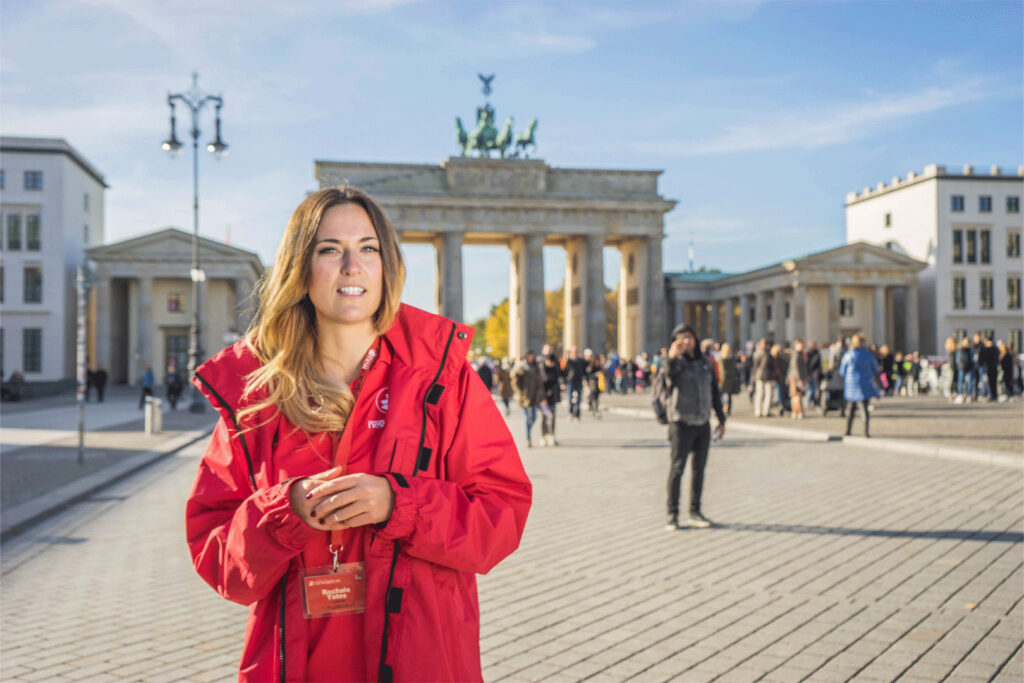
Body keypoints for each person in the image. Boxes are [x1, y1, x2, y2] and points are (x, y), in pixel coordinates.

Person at [184, 186, 532, 682]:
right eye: (330, 250)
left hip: (422, 664)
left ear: (387, 265)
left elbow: (501, 517)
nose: (352, 266)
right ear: (301, 268)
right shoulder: (256, 395)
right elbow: (217, 558)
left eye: (368, 248)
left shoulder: (443, 378)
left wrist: (401, 504)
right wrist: (284, 512)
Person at [661, 324, 726, 530]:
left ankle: (695, 511)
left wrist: (721, 420)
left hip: (702, 423)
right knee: (677, 469)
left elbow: (714, 392)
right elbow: (667, 379)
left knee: (699, 470)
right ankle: (672, 514)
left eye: (689, 337)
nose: (687, 341)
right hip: (680, 422)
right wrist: (671, 358)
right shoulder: (675, 363)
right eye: (682, 338)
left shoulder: (706, 363)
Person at [839, 334, 880, 437]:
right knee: (864, 409)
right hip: (865, 384)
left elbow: (842, 371)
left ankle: (847, 430)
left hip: (851, 385)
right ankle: (865, 432)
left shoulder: (848, 355)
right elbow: (876, 369)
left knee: (850, 409)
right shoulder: (868, 355)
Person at [513, 350, 544, 448]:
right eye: (530, 356)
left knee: (534, 417)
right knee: (527, 417)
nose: (531, 358)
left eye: (532, 356)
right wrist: (521, 392)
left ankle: (528, 431)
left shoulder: (536, 367)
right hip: (524, 396)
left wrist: (540, 392)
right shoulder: (521, 367)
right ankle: (528, 436)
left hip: (534, 396)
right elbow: (515, 382)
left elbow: (539, 381)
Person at [540, 353, 561, 446]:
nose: (552, 364)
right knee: (544, 417)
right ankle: (543, 436)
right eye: (550, 362)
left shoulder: (555, 369)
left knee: (552, 416)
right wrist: (543, 396)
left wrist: (552, 390)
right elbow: (540, 385)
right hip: (543, 398)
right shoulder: (542, 370)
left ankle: (551, 435)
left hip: (552, 397)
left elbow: (556, 382)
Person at [751, 339, 774, 418]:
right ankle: (763, 411)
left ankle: (761, 411)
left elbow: (755, 365)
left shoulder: (759, 353)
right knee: (765, 393)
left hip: (761, 375)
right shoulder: (765, 354)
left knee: (762, 393)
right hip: (765, 375)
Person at [787, 339, 809, 420]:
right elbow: (795, 367)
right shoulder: (796, 355)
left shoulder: (799, 354)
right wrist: (800, 379)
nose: (803, 346)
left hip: (795, 377)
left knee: (796, 395)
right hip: (796, 378)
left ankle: (796, 412)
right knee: (796, 395)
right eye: (801, 345)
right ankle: (798, 412)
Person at [563, 346, 586, 421]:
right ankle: (571, 412)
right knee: (570, 398)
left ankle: (577, 414)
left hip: (579, 381)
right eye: (573, 352)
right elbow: (564, 372)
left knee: (579, 398)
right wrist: (563, 382)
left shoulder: (581, 361)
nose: (575, 353)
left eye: (576, 352)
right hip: (570, 381)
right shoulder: (568, 361)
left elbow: (584, 370)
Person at [717, 343, 740, 416]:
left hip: (722, 378)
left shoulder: (720, 357)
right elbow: (734, 369)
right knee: (728, 395)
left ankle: (721, 409)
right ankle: (728, 410)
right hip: (730, 379)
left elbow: (719, 369)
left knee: (721, 395)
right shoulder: (731, 358)